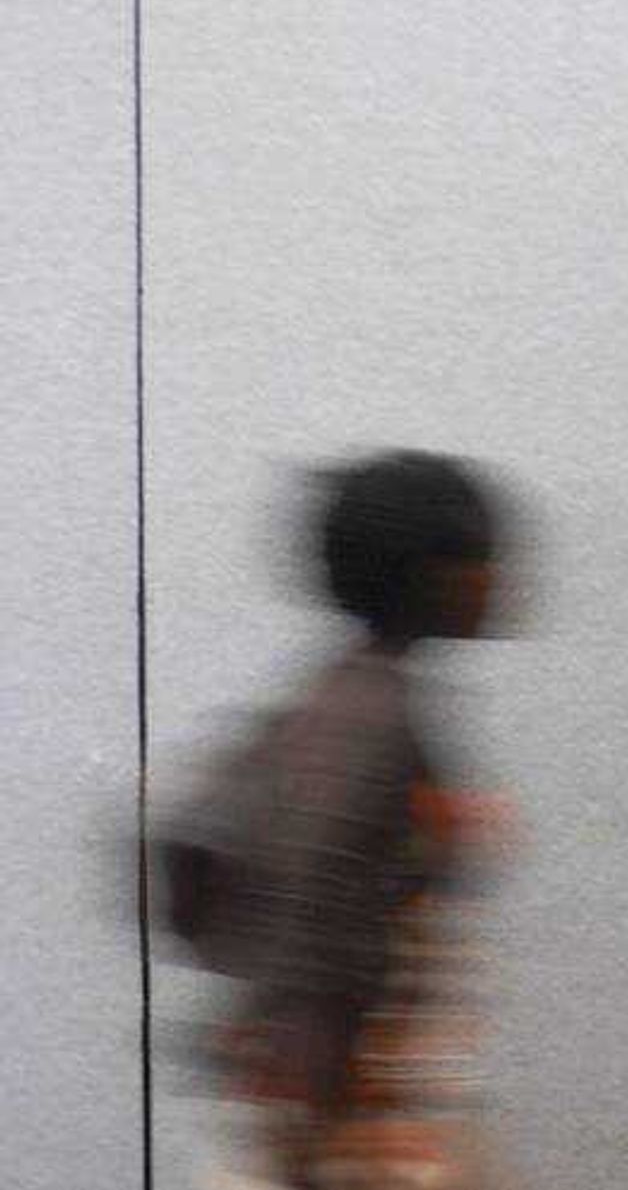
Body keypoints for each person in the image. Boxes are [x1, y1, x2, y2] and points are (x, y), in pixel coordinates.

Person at [166, 451, 513, 1188]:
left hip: (334, 1103)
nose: (502, 574)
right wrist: (326, 1104)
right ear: (438, 573)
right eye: (485, 553)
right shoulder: (371, 719)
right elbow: (309, 887)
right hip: (333, 1122)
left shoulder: (346, 700)